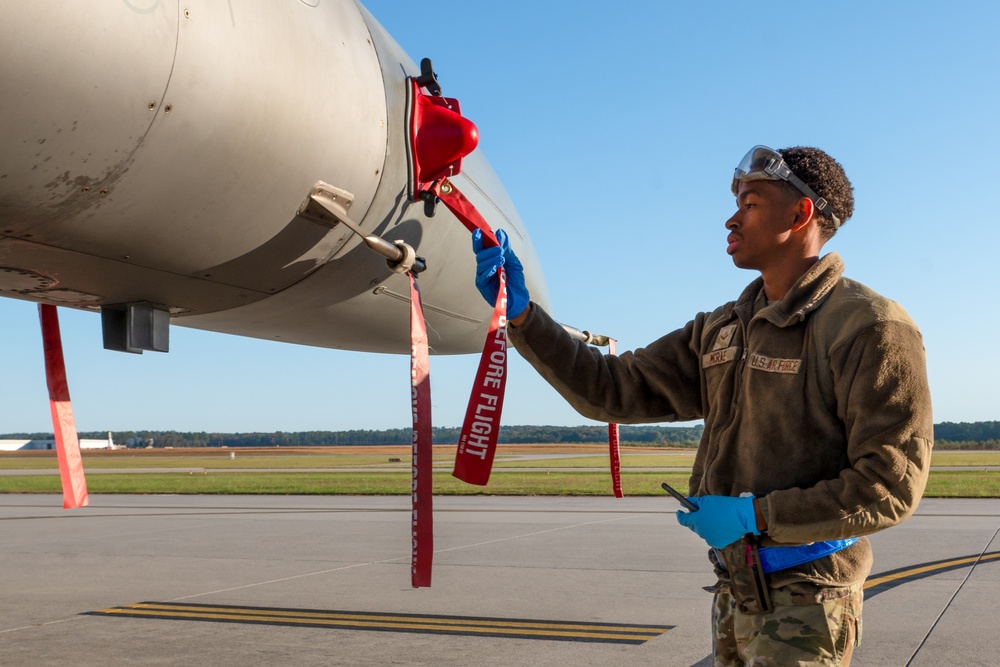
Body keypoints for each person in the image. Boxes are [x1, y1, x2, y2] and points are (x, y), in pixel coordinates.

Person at [471, 145, 933, 666]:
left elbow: (891, 485)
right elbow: (609, 387)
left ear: (801, 213)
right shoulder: (721, 327)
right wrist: (526, 316)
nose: (732, 217)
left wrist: (753, 516)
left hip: (808, 600)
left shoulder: (868, 326)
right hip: (734, 593)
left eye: (751, 203)